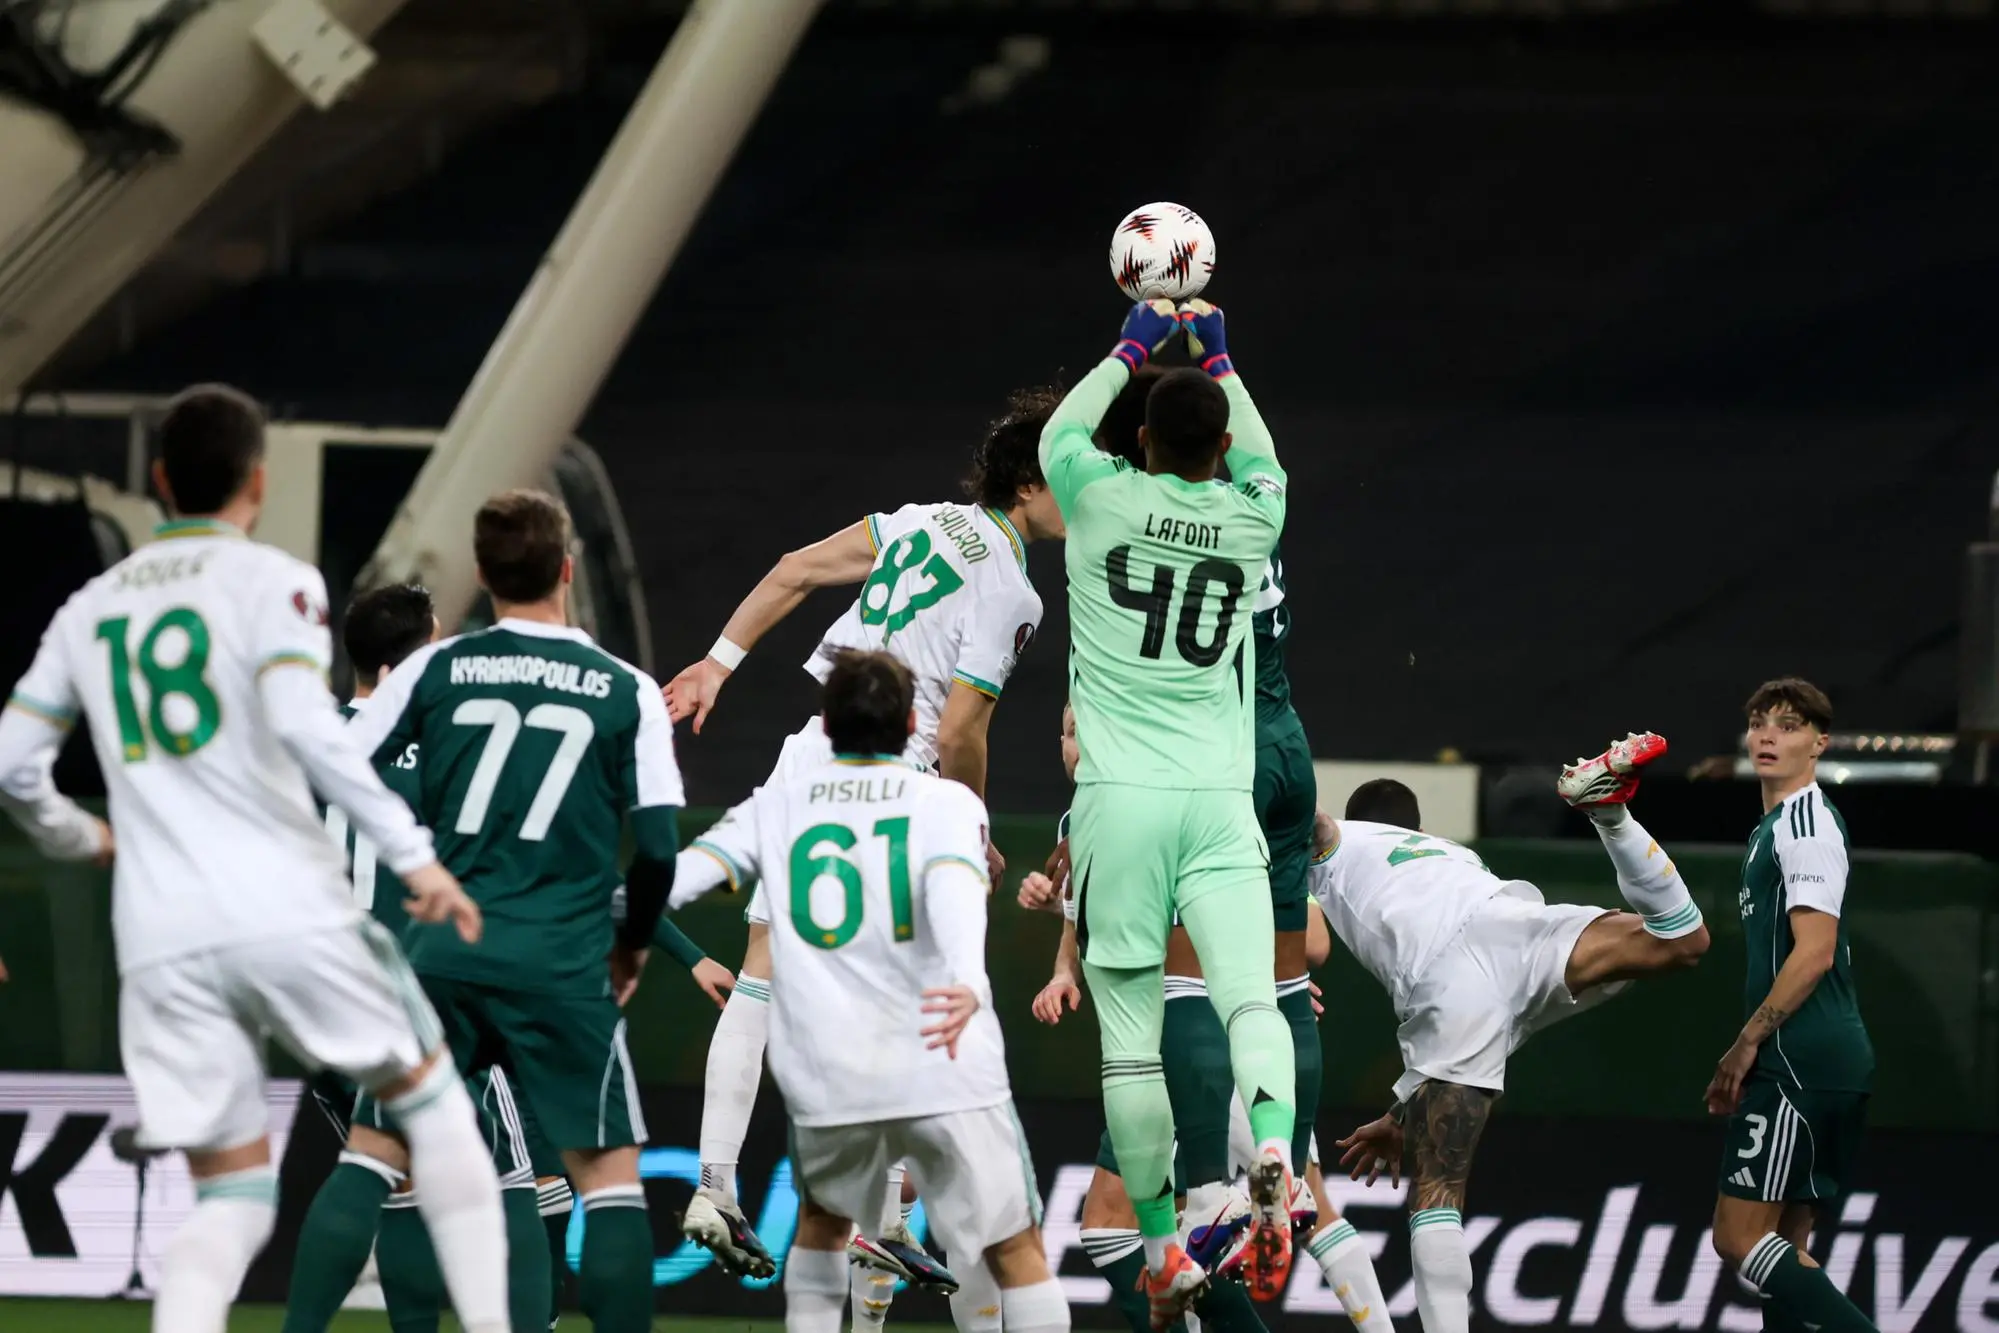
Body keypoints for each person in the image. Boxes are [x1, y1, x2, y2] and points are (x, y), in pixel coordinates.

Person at [0, 384, 510, 1333]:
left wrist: (83, 836)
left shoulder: (89, 608)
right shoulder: (277, 582)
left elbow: (11, 763)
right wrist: (415, 857)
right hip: (286, 908)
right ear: (258, 482)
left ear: (157, 480)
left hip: (159, 937)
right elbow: (313, 734)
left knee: (230, 1204)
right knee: (440, 1125)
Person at [662, 387, 1064, 1303]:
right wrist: (973, 821)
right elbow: (963, 726)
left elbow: (796, 568)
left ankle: (717, 1187)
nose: (1083, 495)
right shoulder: (1011, 589)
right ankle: (888, 1212)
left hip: (810, 756)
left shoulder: (920, 519)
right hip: (902, 782)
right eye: (1071, 476)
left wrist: (716, 663)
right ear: (1032, 483)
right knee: (905, 985)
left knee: (763, 968)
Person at [344, 488, 685, 1333]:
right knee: (575, 1179)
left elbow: (324, 777)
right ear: (566, 567)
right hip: (523, 964)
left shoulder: (410, 694)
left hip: (388, 979)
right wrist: (642, 948)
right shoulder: (618, 687)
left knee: (380, 1167)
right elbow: (646, 853)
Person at [670, 650, 1069, 1333]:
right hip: (942, 1054)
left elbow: (670, 879)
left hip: (836, 1071)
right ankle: (887, 1218)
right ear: (915, 720)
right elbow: (954, 896)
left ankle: (739, 1185)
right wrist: (970, 981)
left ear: (823, 726)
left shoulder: (780, 803)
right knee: (1014, 1245)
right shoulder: (946, 800)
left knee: (822, 1227)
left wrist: (616, 929)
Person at [1037, 298, 1297, 1315]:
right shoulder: (1251, 512)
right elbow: (1268, 462)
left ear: (1137, 438)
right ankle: (1271, 1145)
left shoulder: (1096, 493)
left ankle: (1159, 1246)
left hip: (1121, 803)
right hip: (1217, 797)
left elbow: (1062, 431)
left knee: (1130, 1043)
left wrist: (1130, 345)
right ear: (1220, 446)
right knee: (1250, 1001)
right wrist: (1221, 354)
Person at [1025, 705, 1393, 1333]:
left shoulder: (1204, 802)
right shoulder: (1083, 818)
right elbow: (1084, 925)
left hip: (1197, 1039)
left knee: (1130, 1227)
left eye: (1091, 727)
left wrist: (1256, 977)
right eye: (1067, 732)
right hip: (1202, 1033)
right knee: (1285, 1204)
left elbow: (1310, 939)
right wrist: (1064, 969)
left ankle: (1216, 1201)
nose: (1077, 745)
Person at [1329, 736, 1710, 1333]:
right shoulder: (1452, 854)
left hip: (1449, 971)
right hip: (1515, 928)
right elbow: (1491, 1016)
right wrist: (1403, 1106)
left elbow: (1307, 820)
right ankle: (1610, 815)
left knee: (1437, 1193)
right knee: (1681, 940)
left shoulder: (1341, 844)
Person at [285, 582, 553, 1333]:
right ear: (422, 654)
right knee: (509, 1177)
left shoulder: (303, 744)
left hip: (323, 997)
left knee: (389, 1176)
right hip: (423, 989)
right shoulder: (454, 747)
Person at [1704, 679, 1877, 1333]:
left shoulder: (1803, 820)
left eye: (1787, 723)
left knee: (1739, 1237)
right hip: (1823, 1057)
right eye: (1758, 722)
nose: (1768, 734)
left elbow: (1814, 951)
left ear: (1818, 742)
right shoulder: (1768, 827)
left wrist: (1747, 1039)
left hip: (1799, 1058)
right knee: (1787, 1247)